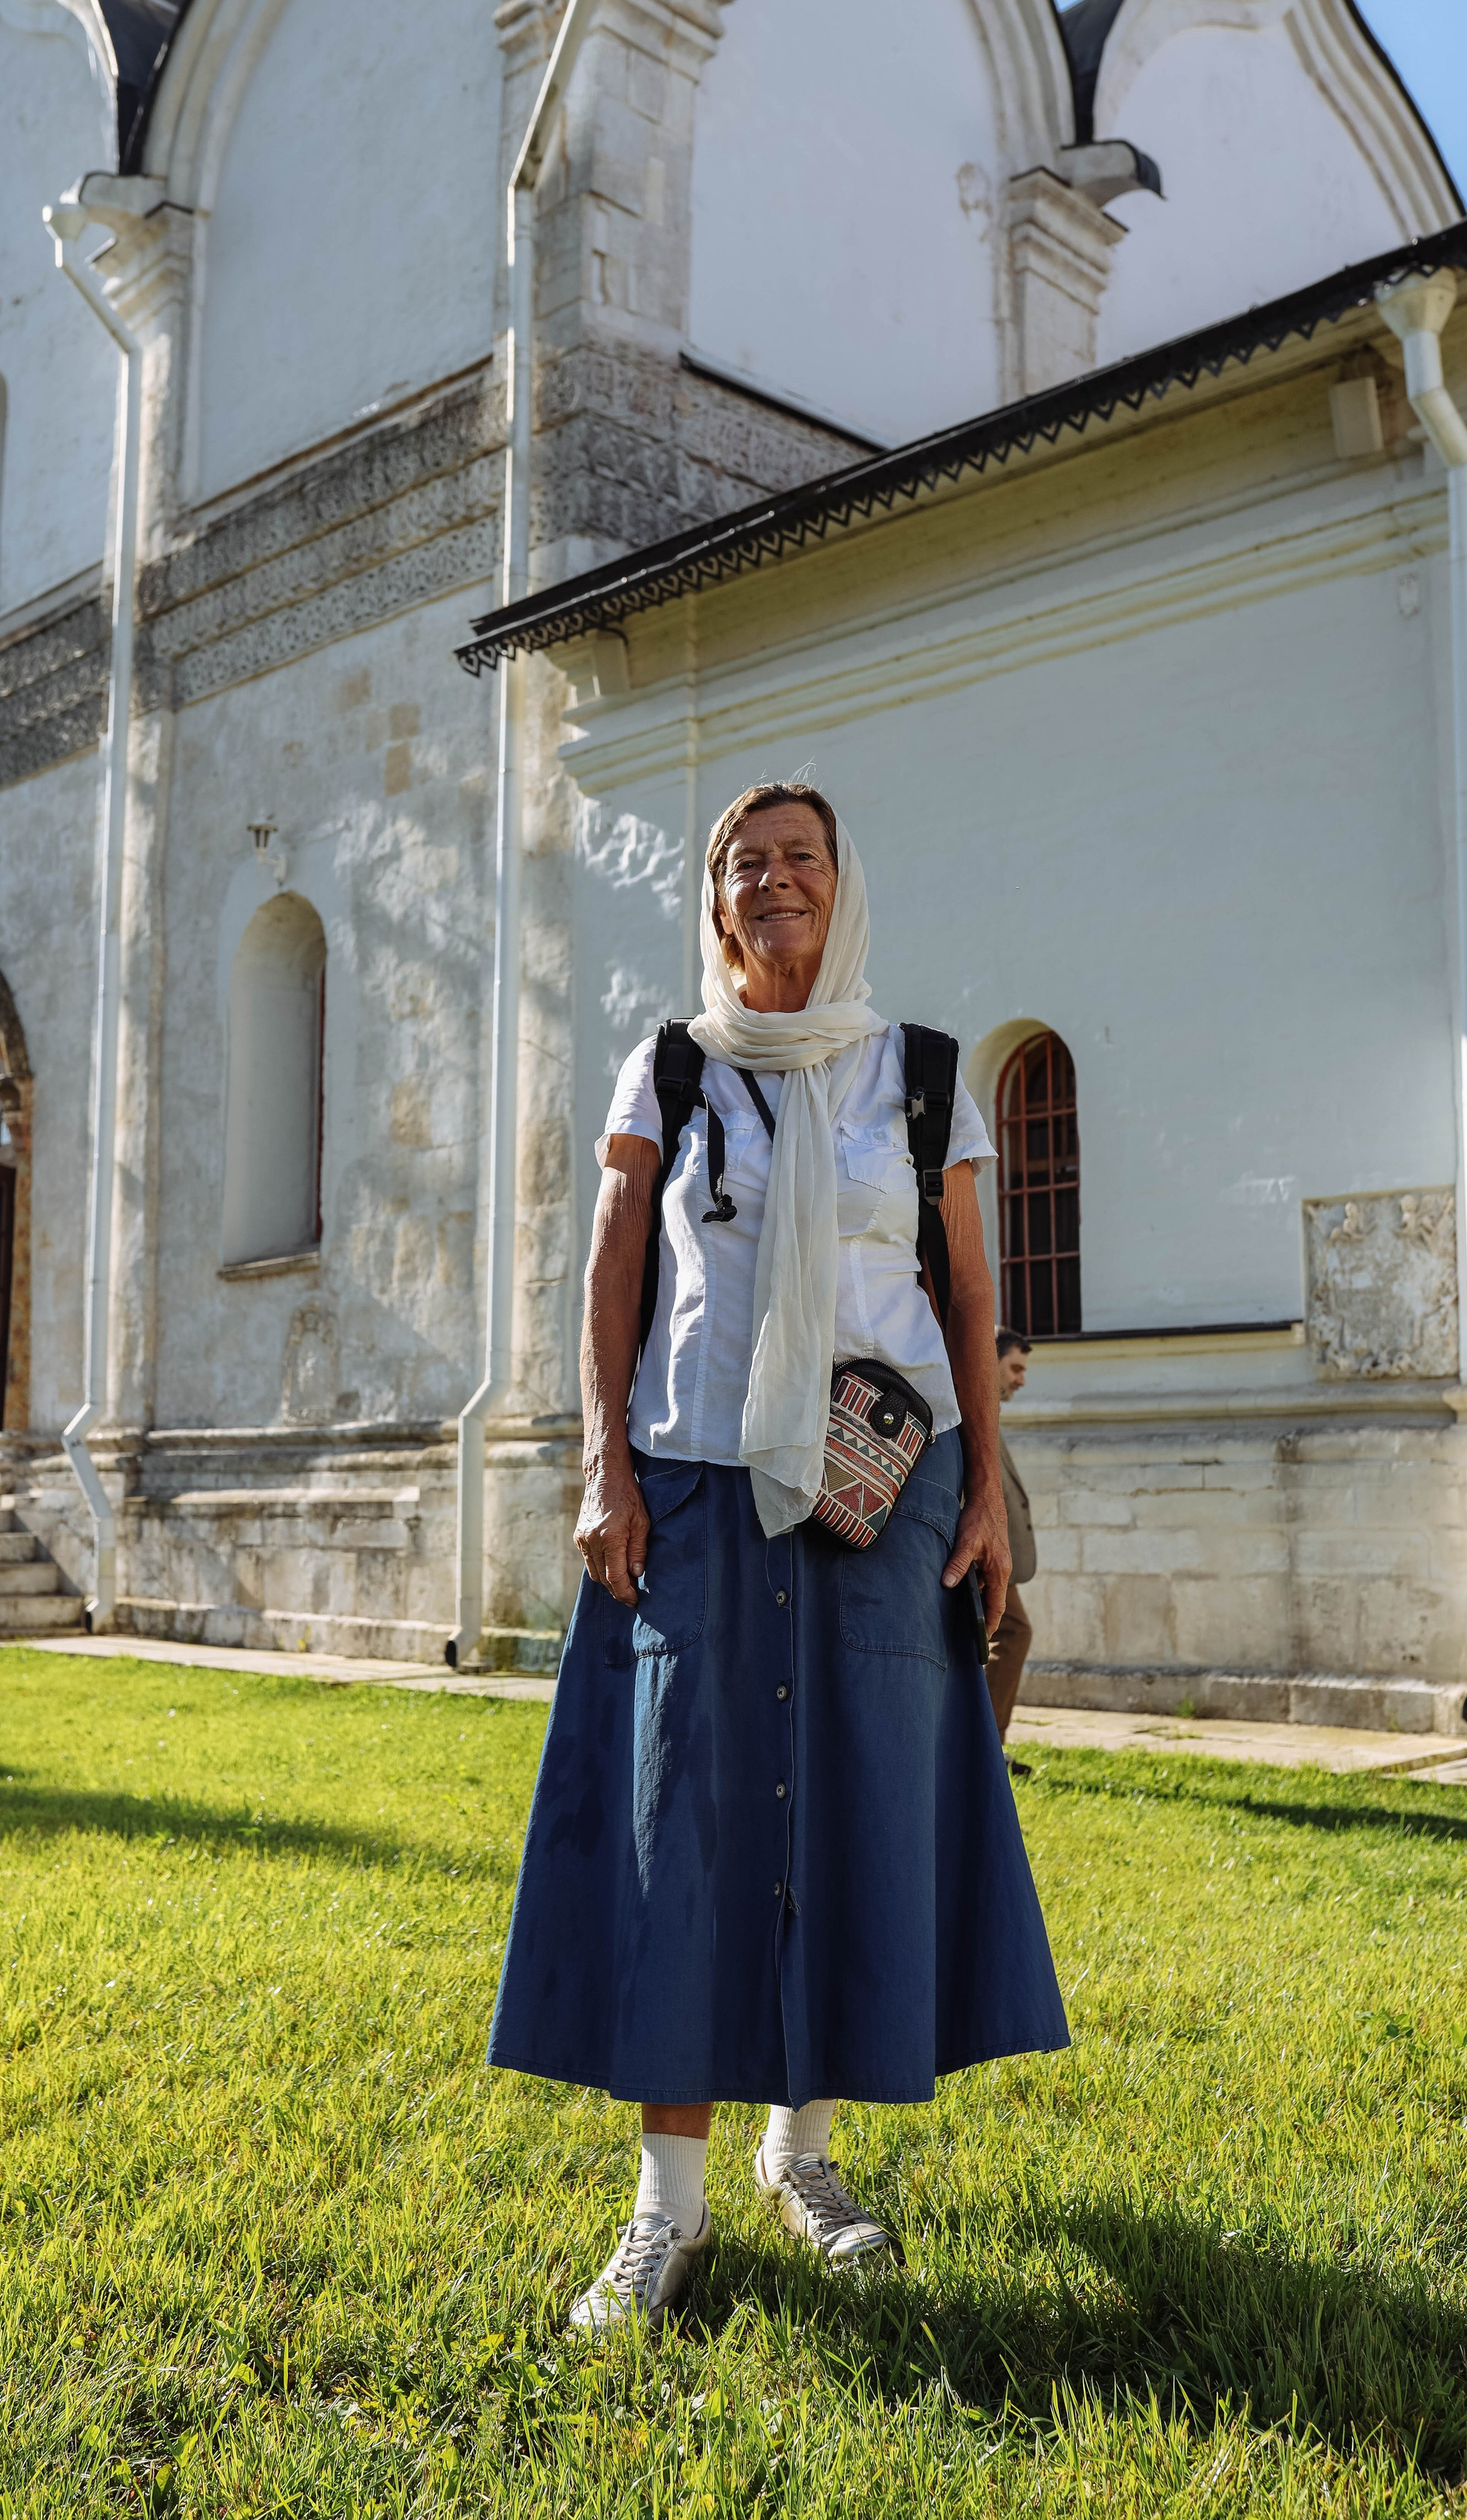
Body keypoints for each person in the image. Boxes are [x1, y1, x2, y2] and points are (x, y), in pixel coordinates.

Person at [488, 782, 1068, 2333]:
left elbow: (960, 1292)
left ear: (839, 882)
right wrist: (601, 1461)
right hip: (691, 1484)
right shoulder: (668, 1067)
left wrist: (989, 1492)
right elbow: (614, 1276)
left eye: (800, 857)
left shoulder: (921, 1073)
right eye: (745, 864)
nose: (773, 882)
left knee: (860, 1811)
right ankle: (658, 2212)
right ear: (715, 899)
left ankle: (799, 2155)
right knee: (683, 1816)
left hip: (886, 1492)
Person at [989, 1328, 1036, 1771]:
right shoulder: (975, 1409)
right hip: (979, 1554)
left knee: (1011, 1634)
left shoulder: (989, 1411)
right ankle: (986, 1748)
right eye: (1015, 1368)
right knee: (1015, 1632)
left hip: (988, 1551)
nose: (1021, 1379)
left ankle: (988, 1747)